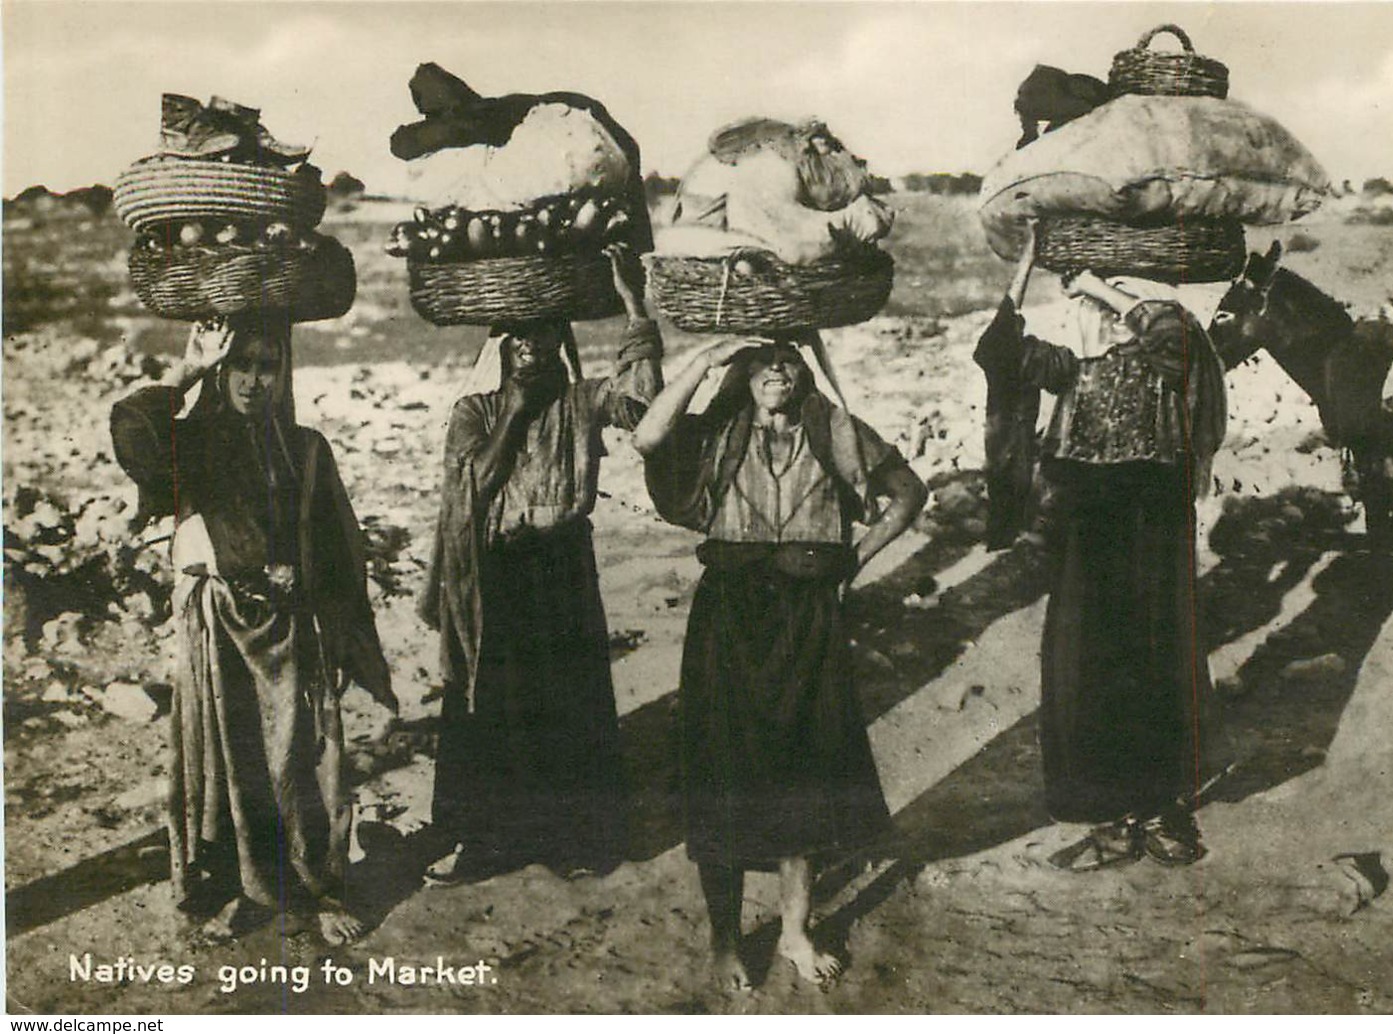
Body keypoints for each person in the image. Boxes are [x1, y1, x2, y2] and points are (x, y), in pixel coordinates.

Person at [633, 335, 926, 991]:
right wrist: (704, 360)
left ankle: (794, 930)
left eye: (787, 360)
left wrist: (854, 560)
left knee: (805, 769)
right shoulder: (718, 430)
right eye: (761, 360)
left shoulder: (834, 429)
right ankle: (726, 941)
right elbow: (649, 438)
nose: (775, 371)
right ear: (741, 372)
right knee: (723, 771)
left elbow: (909, 492)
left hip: (808, 615)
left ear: (803, 371)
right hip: (730, 616)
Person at [109, 315, 397, 945]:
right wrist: (187, 371)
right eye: (242, 364)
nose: (254, 380)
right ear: (222, 370)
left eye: (269, 365)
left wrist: (337, 627)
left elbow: (340, 547)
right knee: (227, 762)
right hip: (216, 623)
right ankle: (244, 891)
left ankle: (317, 890)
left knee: (299, 760)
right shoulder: (197, 443)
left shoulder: (305, 448)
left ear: (284, 372)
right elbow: (132, 431)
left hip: (289, 629)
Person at [975, 226, 1227, 870]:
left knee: (1158, 648)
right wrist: (1025, 271)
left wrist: (1100, 289)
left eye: (1103, 293)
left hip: (1155, 507)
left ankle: (1163, 805)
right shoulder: (1072, 353)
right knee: (1089, 656)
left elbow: (1177, 352)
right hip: (1088, 511)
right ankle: (1110, 813)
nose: (1090, 307)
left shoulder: (1169, 335)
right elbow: (999, 354)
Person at [420, 245, 662, 883]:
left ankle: (574, 838)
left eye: (545, 330)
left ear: (560, 338)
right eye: (519, 333)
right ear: (500, 344)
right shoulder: (474, 411)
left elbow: (641, 406)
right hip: (499, 569)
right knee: (490, 703)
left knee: (568, 698)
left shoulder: (582, 401)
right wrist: (518, 411)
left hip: (562, 563)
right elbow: (468, 487)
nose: (531, 343)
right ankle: (484, 840)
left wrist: (635, 309)